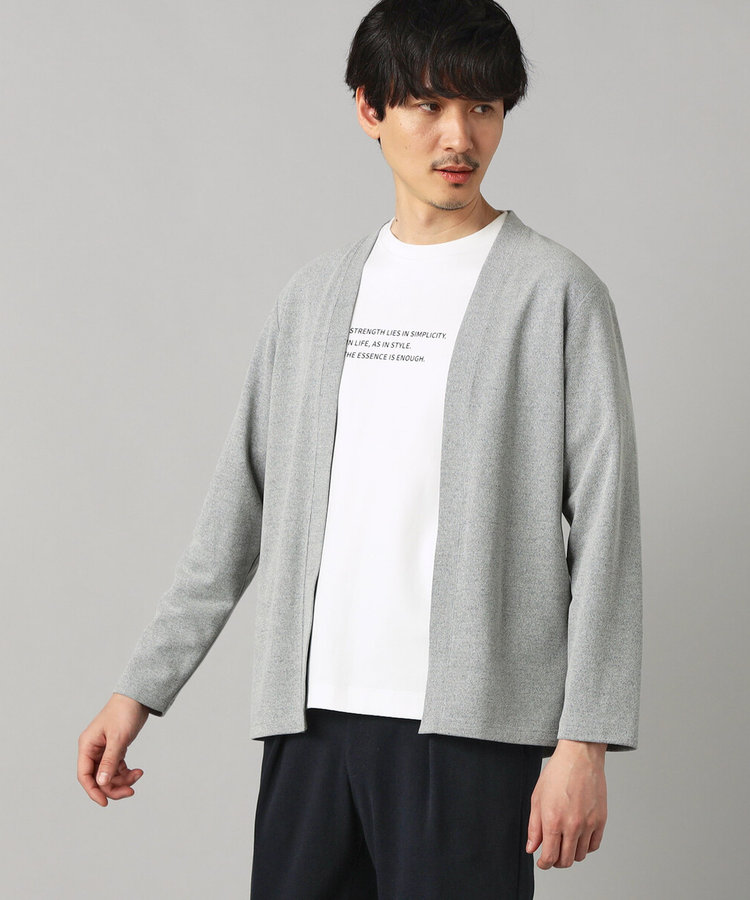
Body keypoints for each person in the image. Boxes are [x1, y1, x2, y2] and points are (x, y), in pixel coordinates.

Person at [77, 1, 643, 896]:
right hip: (312, 725)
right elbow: (239, 510)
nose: (460, 137)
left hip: (469, 734)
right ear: (370, 109)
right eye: (428, 105)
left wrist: (585, 741)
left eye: (485, 107)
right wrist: (139, 688)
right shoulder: (315, 298)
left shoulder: (555, 294)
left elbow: (608, 531)